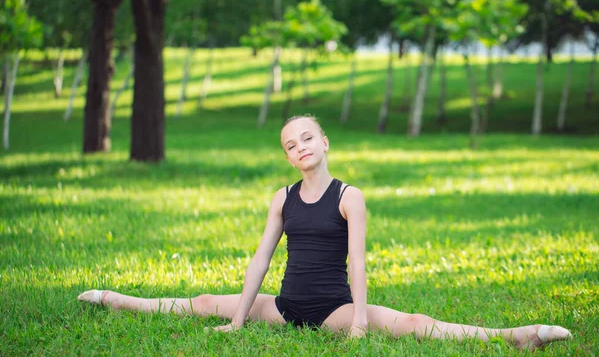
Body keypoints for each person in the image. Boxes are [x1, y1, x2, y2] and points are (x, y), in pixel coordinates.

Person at [78, 115, 572, 351]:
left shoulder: (348, 196)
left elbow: (357, 263)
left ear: (325, 141)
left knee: (410, 320)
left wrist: (357, 320)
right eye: (290, 145)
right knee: (208, 301)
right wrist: (238, 320)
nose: (300, 148)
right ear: (288, 156)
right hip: (285, 306)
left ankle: (513, 336)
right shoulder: (282, 198)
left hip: (333, 308)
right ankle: (121, 300)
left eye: (306, 138)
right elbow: (260, 262)